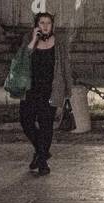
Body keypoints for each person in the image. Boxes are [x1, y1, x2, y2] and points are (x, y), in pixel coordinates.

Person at [19, 11, 72, 176]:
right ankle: (42, 151)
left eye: (48, 23)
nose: (45, 26)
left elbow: (65, 66)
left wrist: (67, 92)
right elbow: (21, 59)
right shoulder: (29, 40)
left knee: (46, 125)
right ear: (36, 25)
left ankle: (42, 162)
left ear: (53, 25)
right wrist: (34, 40)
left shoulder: (59, 42)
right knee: (26, 122)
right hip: (30, 90)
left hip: (51, 90)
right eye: (42, 23)